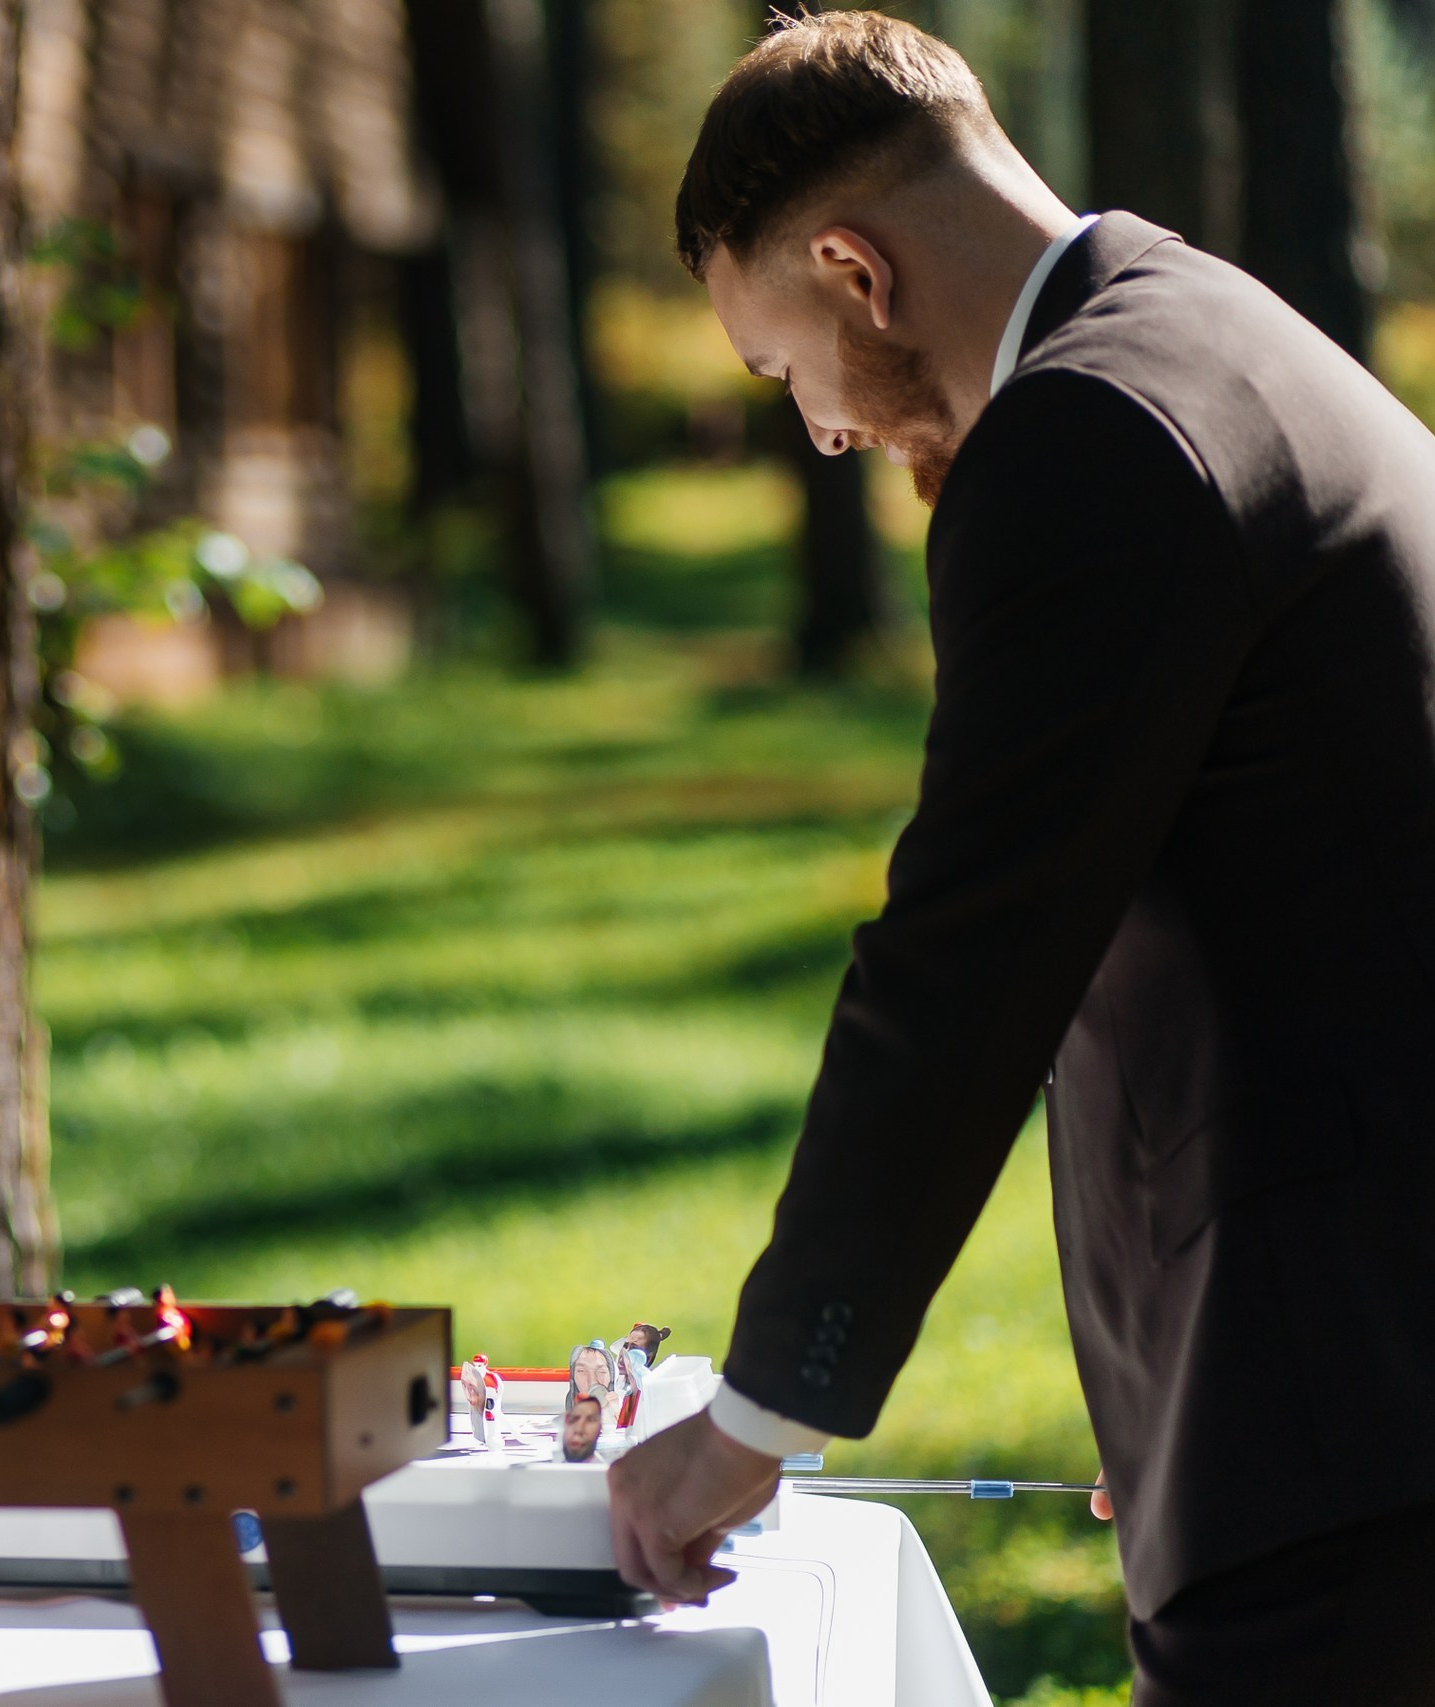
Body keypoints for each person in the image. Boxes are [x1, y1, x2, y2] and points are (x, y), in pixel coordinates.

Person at [605, 14, 1435, 1704]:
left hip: (1361, 1403)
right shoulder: (1214, 327)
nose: (822, 432)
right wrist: (1174, 1394)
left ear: (853, 269)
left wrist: (757, 1419)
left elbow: (971, 959)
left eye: (786, 375)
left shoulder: (1087, 438)